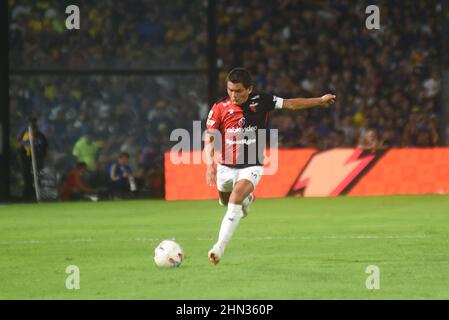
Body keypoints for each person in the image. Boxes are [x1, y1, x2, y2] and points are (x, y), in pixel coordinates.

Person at [204, 68, 336, 265]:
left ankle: (219, 248)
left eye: (238, 91)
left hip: (251, 164)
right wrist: (210, 166)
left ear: (249, 89)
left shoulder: (262, 100)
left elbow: (290, 104)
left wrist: (318, 100)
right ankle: (247, 200)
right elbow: (210, 136)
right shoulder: (220, 107)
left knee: (234, 198)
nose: (233, 95)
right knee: (225, 201)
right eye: (230, 90)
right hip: (225, 166)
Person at [17, 117, 48, 201]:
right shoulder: (23, 134)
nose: (33, 126)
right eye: (31, 124)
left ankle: (37, 195)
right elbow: (18, 144)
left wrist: (41, 155)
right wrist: (28, 142)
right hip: (25, 159)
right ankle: (27, 196)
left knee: (37, 177)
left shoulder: (40, 135)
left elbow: (44, 147)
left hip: (37, 160)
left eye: (34, 124)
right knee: (27, 178)